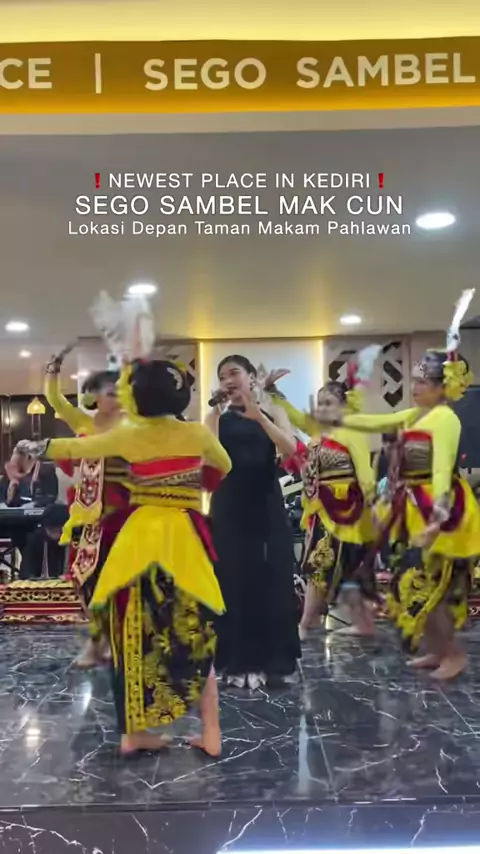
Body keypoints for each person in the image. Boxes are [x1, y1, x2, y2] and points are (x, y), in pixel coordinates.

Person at [17, 355, 232, 757]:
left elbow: (81, 445)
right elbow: (223, 465)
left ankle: (133, 733)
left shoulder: (129, 435)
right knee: (198, 630)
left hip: (138, 539)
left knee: (130, 634)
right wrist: (192, 482)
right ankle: (212, 731)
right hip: (185, 537)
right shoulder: (197, 434)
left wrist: (38, 446)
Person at [318, 292, 480, 680]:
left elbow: (441, 472)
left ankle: (454, 654)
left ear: (442, 387)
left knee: (432, 589)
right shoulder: (416, 414)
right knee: (411, 585)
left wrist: (436, 521)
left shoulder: (445, 419)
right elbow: (377, 422)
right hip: (413, 508)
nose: (414, 387)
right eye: (414, 380)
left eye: (422, 382)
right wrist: (342, 418)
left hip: (442, 512)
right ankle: (435, 650)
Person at [206, 355, 301, 690]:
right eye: (222, 376)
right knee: (233, 579)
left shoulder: (272, 411)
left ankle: (273, 661)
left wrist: (258, 415)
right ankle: (237, 660)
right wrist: (213, 415)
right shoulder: (217, 416)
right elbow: (209, 458)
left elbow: (290, 450)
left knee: (271, 576)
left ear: (250, 377)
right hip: (229, 504)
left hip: (266, 501)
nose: (228, 380)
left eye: (234, 373)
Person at [265, 361, 377, 640]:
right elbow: (295, 417)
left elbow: (365, 474)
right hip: (320, 509)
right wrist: (273, 392)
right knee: (342, 570)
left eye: (329, 403)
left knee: (322, 564)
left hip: (346, 512)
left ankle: (306, 623)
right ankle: (361, 623)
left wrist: (373, 506)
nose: (323, 408)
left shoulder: (351, 433)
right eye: (320, 403)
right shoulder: (319, 433)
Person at [45, 355, 122, 667]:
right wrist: (53, 372)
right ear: (94, 396)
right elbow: (56, 401)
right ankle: (97, 638)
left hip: (123, 514)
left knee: (119, 580)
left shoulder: (135, 427)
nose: (116, 397)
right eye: (109, 391)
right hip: (88, 514)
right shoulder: (85, 423)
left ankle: (112, 640)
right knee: (86, 580)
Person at [19, 502, 70, 580]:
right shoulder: (36, 540)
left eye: (59, 529)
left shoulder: (76, 542)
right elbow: (26, 572)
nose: (56, 534)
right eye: (52, 529)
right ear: (45, 527)